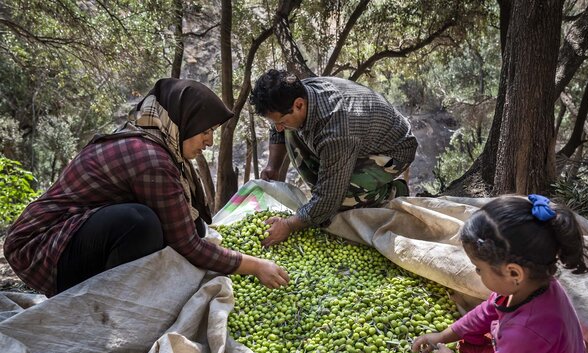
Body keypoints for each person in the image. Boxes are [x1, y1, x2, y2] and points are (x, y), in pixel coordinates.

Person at [4, 78, 289, 297]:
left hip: (72, 238)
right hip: (40, 247)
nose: (210, 142)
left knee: (192, 227)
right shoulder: (150, 159)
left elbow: (189, 229)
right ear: (182, 124)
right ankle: (108, 303)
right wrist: (255, 265)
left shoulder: (157, 146)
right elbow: (187, 245)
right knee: (141, 225)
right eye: (205, 132)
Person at [411, 195, 588, 353]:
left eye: (478, 268)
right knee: (470, 339)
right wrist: (443, 336)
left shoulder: (526, 331)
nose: (476, 273)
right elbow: (486, 312)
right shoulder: (534, 286)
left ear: (513, 272)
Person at [249, 69, 418, 246]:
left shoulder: (336, 130)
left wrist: (289, 225)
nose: (278, 128)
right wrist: (272, 167)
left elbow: (330, 196)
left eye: (281, 121)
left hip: (392, 151)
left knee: (337, 205)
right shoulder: (295, 96)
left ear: (299, 105)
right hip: (352, 143)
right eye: (275, 122)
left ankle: (392, 191)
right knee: (290, 131)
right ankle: (332, 185)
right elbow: (277, 124)